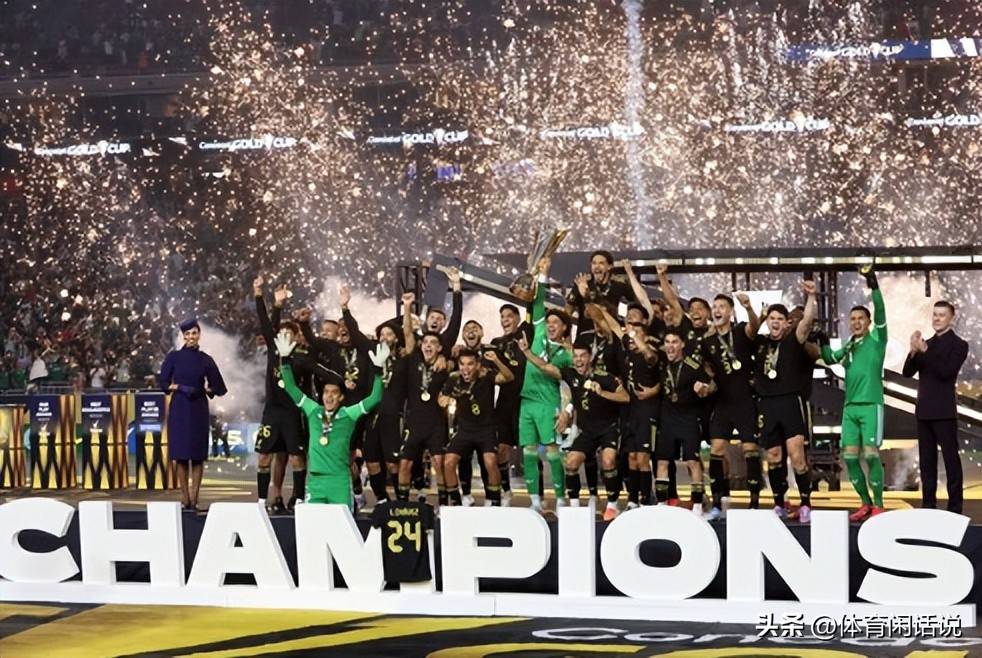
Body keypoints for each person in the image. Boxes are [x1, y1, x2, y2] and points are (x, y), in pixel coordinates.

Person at [274, 331, 386, 508]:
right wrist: (285, 361)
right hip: (315, 482)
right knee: (313, 525)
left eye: (334, 393)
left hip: (339, 482)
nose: (329, 396)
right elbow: (290, 387)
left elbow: (375, 398)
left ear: (341, 397)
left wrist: (378, 371)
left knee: (341, 525)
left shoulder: (348, 414)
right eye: (326, 392)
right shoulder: (313, 410)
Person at [524, 334, 628, 517]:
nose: (579, 360)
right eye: (576, 356)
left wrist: (602, 393)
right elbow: (544, 367)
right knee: (571, 462)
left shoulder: (604, 377)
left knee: (608, 460)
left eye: (582, 356)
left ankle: (612, 506)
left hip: (609, 428)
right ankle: (574, 507)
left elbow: (625, 397)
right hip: (587, 431)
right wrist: (526, 351)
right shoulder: (570, 374)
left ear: (590, 357)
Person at [819, 266, 888, 522]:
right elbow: (830, 359)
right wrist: (823, 340)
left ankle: (879, 505)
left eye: (861, 318)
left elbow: (880, 311)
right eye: (853, 319)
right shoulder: (849, 346)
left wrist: (873, 283)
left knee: (870, 454)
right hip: (850, 409)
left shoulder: (877, 340)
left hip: (871, 405)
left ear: (869, 323)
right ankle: (865, 504)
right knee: (849, 458)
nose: (856, 322)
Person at [753, 281, 818, 523]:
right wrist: (758, 315)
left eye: (780, 318)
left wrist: (811, 296)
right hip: (767, 404)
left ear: (786, 322)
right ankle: (779, 503)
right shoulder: (760, 343)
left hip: (790, 402)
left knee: (797, 456)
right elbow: (750, 328)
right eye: (772, 318)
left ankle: (805, 503)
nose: (776, 322)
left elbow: (807, 321)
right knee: (773, 456)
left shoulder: (793, 340)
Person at [902, 299, 969, 515]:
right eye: (935, 314)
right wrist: (913, 351)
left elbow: (946, 372)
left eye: (941, 315)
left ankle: (955, 507)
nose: (937, 318)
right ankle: (928, 505)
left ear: (951, 318)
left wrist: (925, 351)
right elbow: (907, 372)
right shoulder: (926, 344)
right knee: (927, 462)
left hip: (944, 411)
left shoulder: (959, 345)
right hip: (924, 411)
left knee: (951, 461)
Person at [517, 257, 573, 512]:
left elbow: (562, 379)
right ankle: (535, 501)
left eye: (555, 324)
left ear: (564, 328)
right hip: (527, 401)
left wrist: (566, 411)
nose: (550, 326)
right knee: (528, 451)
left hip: (548, 403)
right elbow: (538, 301)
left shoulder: (567, 354)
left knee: (552, 451)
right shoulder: (539, 332)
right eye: (548, 322)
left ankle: (560, 499)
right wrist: (543, 274)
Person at [701, 292, 760, 519]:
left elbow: (754, 328)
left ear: (730, 312)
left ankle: (754, 503)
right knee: (716, 450)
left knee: (750, 449)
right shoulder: (708, 342)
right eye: (714, 306)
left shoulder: (740, 331)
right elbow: (709, 371)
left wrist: (749, 308)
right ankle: (717, 503)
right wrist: (706, 386)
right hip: (723, 402)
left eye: (722, 306)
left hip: (745, 400)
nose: (717, 310)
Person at [159, 318, 227, 511]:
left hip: (198, 407)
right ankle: (185, 498)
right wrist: (177, 387)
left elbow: (219, 386)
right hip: (180, 407)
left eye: (194, 333)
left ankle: (195, 499)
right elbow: (163, 382)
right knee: (181, 455)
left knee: (197, 456)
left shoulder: (206, 359)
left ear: (199, 335)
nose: (191, 337)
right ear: (183, 336)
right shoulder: (173, 357)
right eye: (187, 334)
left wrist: (206, 390)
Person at [440, 348, 514, 506]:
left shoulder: (486, 376)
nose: (465, 368)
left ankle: (495, 501)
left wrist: (496, 360)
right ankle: (456, 502)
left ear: (478, 365)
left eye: (470, 364)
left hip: (486, 429)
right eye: (462, 364)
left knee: (490, 461)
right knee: (448, 462)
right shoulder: (453, 378)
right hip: (464, 430)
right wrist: (445, 400)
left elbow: (509, 377)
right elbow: (442, 397)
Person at [656, 330, 715, 513]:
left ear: (682, 344)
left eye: (674, 342)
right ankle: (661, 505)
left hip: (688, 418)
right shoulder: (661, 363)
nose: (670, 346)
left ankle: (697, 506)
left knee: (692, 462)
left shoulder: (692, 366)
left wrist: (703, 389)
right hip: (667, 419)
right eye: (667, 342)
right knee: (662, 462)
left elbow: (712, 385)